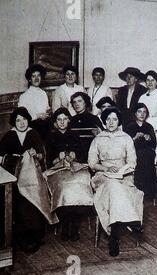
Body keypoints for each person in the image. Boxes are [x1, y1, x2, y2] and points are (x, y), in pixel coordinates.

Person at [88, 107, 144, 257]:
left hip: (124, 176)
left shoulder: (126, 138)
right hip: (103, 176)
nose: (111, 122)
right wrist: (106, 167)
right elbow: (92, 163)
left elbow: (132, 162)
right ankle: (134, 221)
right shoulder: (98, 139)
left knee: (115, 188)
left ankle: (114, 237)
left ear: (119, 121)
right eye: (108, 119)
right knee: (112, 185)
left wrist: (122, 170)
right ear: (104, 121)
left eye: (114, 119)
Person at [0, 108, 56, 253]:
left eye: (24, 119)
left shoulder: (33, 133)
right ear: (14, 122)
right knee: (16, 196)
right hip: (14, 174)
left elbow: (42, 155)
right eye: (18, 120)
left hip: (32, 175)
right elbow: (1, 155)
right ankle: (21, 235)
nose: (22, 123)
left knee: (33, 194)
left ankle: (35, 234)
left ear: (28, 120)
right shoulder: (9, 135)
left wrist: (35, 154)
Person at [45, 107, 94, 242]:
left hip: (75, 168)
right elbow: (48, 161)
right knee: (64, 187)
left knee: (80, 184)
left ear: (68, 120)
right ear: (55, 122)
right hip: (58, 170)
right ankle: (66, 224)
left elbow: (83, 156)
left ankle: (74, 224)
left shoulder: (75, 135)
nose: (62, 122)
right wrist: (57, 158)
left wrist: (75, 156)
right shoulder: (51, 137)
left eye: (65, 119)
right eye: (59, 119)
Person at [124, 103, 157, 201]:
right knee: (142, 157)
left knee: (148, 156)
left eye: (144, 112)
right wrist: (135, 138)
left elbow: (153, 145)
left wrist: (149, 138)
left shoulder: (149, 126)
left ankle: (148, 194)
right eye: (139, 112)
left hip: (147, 154)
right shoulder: (130, 126)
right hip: (134, 153)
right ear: (135, 113)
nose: (142, 114)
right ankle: (139, 191)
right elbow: (126, 144)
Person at [18, 64, 51, 139]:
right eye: (33, 76)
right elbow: (21, 117)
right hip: (32, 127)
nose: (36, 78)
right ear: (29, 79)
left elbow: (47, 109)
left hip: (45, 126)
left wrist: (48, 112)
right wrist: (37, 116)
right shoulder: (24, 96)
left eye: (38, 75)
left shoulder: (43, 93)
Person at [70, 92, 103, 163]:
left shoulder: (94, 119)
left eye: (79, 101)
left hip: (91, 157)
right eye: (74, 102)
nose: (76, 104)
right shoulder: (72, 120)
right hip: (75, 158)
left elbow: (102, 140)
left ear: (85, 103)